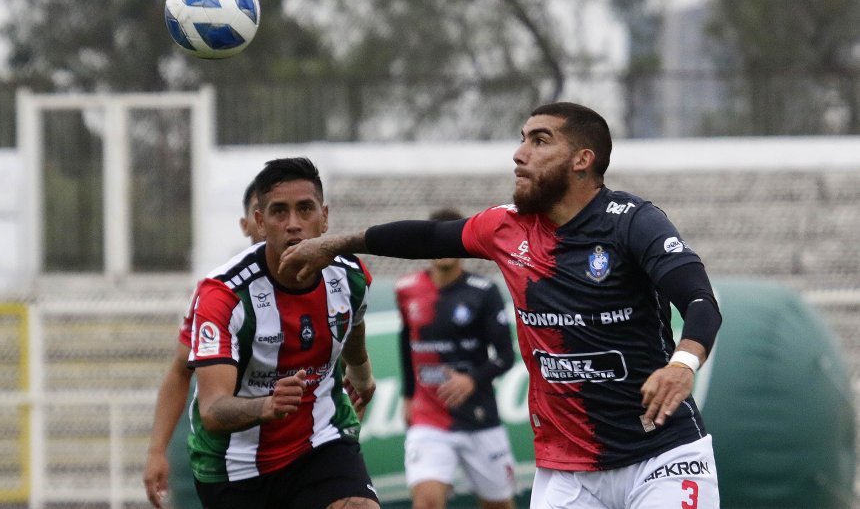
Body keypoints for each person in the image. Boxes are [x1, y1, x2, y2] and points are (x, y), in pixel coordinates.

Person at [279, 103, 723, 509]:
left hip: (663, 456)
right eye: (522, 138)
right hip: (569, 471)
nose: (519, 153)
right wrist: (335, 243)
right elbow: (428, 237)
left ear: (582, 159)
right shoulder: (505, 228)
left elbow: (701, 300)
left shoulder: (634, 222)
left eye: (539, 140)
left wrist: (683, 363)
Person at [187, 157, 380, 509]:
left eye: (305, 209)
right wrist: (267, 406)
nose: (294, 225)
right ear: (260, 222)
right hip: (236, 466)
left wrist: (363, 377)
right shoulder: (225, 295)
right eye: (279, 212)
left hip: (321, 442)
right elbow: (212, 410)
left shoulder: (350, 276)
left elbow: (353, 325)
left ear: (324, 217)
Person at [143, 181, 264, 508]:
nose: (275, 222)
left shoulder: (326, 282)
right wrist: (156, 451)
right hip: (233, 460)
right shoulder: (218, 293)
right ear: (247, 224)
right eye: (264, 212)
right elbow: (180, 371)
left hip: (303, 452)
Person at [396, 207, 518, 509]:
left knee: (499, 505)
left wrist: (472, 379)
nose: (442, 247)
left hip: (479, 419)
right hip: (429, 419)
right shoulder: (407, 289)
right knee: (427, 502)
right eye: (435, 239)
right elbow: (405, 339)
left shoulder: (484, 292)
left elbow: (505, 356)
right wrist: (408, 395)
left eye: (449, 238)